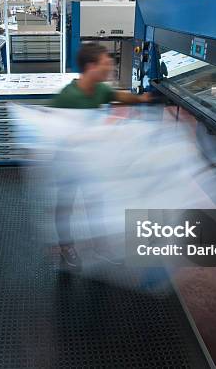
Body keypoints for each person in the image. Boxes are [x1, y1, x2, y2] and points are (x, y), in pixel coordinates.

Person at [51, 43, 151, 269]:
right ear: (91, 66)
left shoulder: (100, 89)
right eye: (106, 64)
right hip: (67, 164)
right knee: (65, 206)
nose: (110, 68)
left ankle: (101, 248)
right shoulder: (68, 97)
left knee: (95, 203)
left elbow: (120, 96)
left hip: (89, 162)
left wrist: (143, 99)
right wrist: (102, 132)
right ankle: (66, 247)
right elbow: (55, 133)